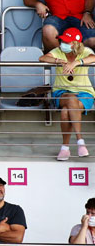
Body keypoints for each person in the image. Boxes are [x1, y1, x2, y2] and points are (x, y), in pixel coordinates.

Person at [41, 28, 95, 161]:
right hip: (62, 92)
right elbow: (42, 58)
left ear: (75, 44)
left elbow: (93, 57)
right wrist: (59, 61)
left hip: (84, 93)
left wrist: (76, 62)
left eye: (66, 41)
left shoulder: (85, 52)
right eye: (62, 40)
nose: (62, 44)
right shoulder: (58, 52)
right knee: (71, 98)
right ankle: (80, 141)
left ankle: (65, 148)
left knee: (66, 112)